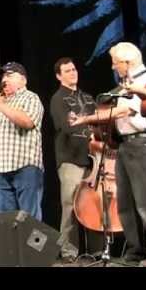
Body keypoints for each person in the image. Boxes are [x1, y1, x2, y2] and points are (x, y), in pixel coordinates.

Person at [71, 42, 146, 266]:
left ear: (127, 63)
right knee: (125, 204)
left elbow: (123, 110)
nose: (113, 66)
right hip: (125, 146)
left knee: (144, 202)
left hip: (142, 144)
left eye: (115, 62)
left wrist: (86, 119)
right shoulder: (125, 86)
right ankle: (135, 251)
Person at [0, 62, 44, 221]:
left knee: (29, 219)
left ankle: (29, 247)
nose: (4, 79)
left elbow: (27, 122)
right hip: (0, 169)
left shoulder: (30, 97)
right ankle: (11, 247)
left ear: (23, 80)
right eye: (3, 75)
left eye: (10, 75)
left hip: (25, 166)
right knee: (6, 221)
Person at [50, 57, 96, 263]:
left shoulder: (87, 98)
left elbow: (98, 124)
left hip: (92, 159)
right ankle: (68, 251)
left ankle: (96, 250)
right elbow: (65, 125)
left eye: (74, 69)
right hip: (70, 158)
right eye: (67, 71)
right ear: (59, 76)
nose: (73, 73)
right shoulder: (58, 99)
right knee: (70, 205)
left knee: (94, 204)